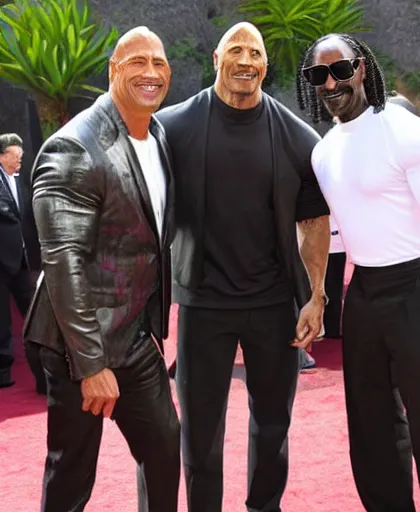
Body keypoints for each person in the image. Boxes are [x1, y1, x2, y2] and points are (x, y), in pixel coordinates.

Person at [157, 22, 330, 512]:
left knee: (273, 424)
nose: (246, 61)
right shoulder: (173, 127)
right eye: (236, 50)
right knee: (201, 430)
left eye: (255, 52)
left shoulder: (296, 135)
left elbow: (314, 220)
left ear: (265, 65)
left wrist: (315, 295)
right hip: (203, 303)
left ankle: (264, 507)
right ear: (216, 58)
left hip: (274, 304)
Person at [297, 33, 420, 512]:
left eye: (340, 69)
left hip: (416, 286)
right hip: (364, 292)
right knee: (371, 427)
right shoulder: (324, 151)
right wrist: (317, 296)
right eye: (318, 74)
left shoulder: (406, 130)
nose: (330, 82)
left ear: (361, 68)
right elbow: (326, 231)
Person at [23, 27, 180, 512]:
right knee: (72, 472)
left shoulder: (156, 134)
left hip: (132, 335)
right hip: (77, 343)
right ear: (113, 70)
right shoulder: (74, 148)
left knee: (164, 446)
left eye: (159, 62)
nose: (151, 73)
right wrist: (91, 365)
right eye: (137, 62)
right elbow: (63, 261)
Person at [0, 133, 44, 392]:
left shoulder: (20, 182)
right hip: (1, 264)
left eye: (21, 157)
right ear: (2, 155)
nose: (19, 162)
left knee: (34, 312)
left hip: (23, 262)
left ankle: (41, 365)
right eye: (15, 157)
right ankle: (3, 370)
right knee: (2, 320)